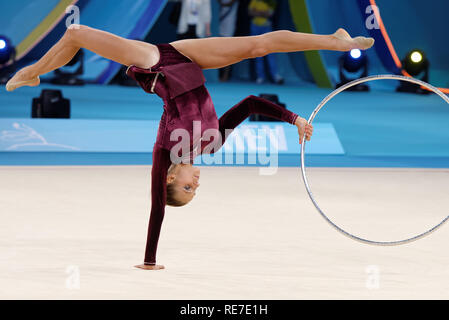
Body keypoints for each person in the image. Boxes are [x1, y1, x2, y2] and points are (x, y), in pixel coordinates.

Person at [6, 24, 374, 270]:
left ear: (168, 177)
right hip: (190, 59)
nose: (195, 183)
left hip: (155, 63)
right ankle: (335, 40)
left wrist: (149, 260)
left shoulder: (165, 151)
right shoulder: (212, 145)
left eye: (186, 187)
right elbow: (249, 104)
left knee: (75, 32)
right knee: (258, 46)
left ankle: (33, 71)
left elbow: (156, 209)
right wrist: (294, 119)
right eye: (195, 190)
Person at [248, 0, 283, 84]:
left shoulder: (271, 2)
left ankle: (275, 76)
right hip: (255, 27)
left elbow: (269, 14)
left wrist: (257, 12)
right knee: (257, 52)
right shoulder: (255, 1)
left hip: (266, 27)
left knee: (270, 52)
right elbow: (250, 12)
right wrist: (262, 13)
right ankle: (260, 76)